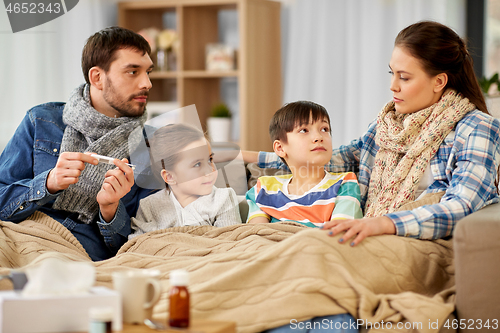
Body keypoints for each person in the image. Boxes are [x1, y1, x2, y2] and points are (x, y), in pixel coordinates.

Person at [250, 20, 500, 250]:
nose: (393, 86)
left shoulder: (476, 129)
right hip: (367, 234)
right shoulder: (387, 126)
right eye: (392, 73)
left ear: (439, 81)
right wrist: (249, 157)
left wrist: (383, 224)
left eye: (404, 77)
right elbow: (334, 156)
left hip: (419, 244)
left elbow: (461, 205)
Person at [0, 26, 155, 261]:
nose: (147, 83)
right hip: (18, 238)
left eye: (148, 72)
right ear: (97, 77)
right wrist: (48, 183)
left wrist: (110, 210)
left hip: (77, 254)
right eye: (133, 72)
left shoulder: (150, 145)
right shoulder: (41, 120)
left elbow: (142, 242)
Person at [246, 101, 363, 228]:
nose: (318, 137)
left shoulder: (344, 184)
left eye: (324, 129)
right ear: (280, 148)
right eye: (304, 130)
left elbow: (338, 235)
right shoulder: (263, 188)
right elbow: (256, 235)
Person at [128, 124, 241, 238]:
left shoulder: (223, 198)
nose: (209, 171)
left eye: (210, 159)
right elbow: (138, 244)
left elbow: (230, 242)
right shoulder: (149, 206)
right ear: (170, 177)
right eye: (197, 164)